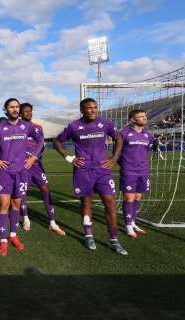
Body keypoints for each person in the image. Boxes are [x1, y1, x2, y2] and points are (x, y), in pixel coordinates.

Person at [53, 97, 128, 255]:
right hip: (83, 171)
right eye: (88, 108)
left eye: (95, 107)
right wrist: (69, 158)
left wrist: (114, 159)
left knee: (110, 204)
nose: (92, 110)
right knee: (86, 203)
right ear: (82, 110)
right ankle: (88, 235)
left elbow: (118, 138)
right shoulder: (74, 126)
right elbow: (57, 141)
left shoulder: (105, 123)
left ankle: (114, 240)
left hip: (103, 171)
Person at [0, 98, 40, 256]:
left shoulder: (27, 126)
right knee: (4, 204)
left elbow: (40, 140)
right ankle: (3, 240)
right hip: (5, 173)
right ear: (5, 110)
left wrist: (33, 157)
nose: (15, 109)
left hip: (22, 172)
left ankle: (13, 236)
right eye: (11, 107)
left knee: (16, 204)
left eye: (17, 107)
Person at [18, 103, 65, 236]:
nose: (29, 113)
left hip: (37, 165)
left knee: (45, 189)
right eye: (26, 111)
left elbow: (41, 144)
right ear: (20, 113)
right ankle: (26, 219)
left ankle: (52, 222)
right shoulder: (17, 128)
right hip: (23, 166)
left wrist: (35, 156)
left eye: (30, 111)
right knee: (23, 192)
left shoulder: (38, 127)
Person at [118, 109, 154, 238]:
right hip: (128, 171)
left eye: (145, 116)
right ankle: (128, 226)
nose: (145, 118)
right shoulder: (123, 134)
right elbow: (117, 153)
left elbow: (146, 151)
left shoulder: (149, 136)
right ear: (133, 119)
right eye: (141, 116)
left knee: (138, 197)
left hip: (143, 171)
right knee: (129, 198)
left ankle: (133, 222)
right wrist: (126, 165)